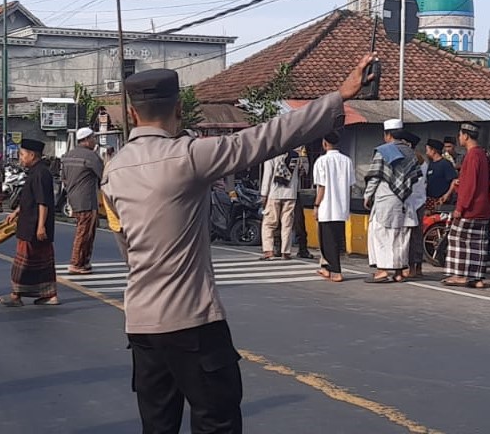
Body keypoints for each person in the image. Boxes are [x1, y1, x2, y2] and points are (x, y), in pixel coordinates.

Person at [101, 55, 372, 434]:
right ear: (179, 108)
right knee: (218, 420)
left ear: (131, 112)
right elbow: (267, 137)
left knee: (158, 426)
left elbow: (125, 242)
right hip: (192, 321)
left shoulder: (113, 170)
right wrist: (339, 96)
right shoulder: (188, 156)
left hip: (141, 323)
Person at [0, 138, 59, 307]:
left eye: (22, 155)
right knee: (42, 263)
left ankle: (16, 295)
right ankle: (49, 295)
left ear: (32, 155)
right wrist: (16, 212)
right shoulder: (36, 172)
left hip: (33, 227)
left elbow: (42, 202)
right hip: (31, 223)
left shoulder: (40, 174)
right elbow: (29, 199)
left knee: (22, 263)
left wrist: (40, 226)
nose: (20, 158)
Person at [363, 119, 422, 284]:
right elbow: (415, 179)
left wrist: (367, 196)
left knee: (381, 234)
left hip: (386, 200)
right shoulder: (411, 153)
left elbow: (375, 177)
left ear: (387, 134)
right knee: (401, 237)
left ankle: (382, 271)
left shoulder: (383, 151)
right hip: (406, 201)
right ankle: (398, 272)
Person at [443, 122, 490, 289]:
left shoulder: (472, 156)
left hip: (470, 208)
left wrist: (460, 207)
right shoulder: (483, 154)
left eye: (460, 135)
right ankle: (477, 277)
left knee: (457, 239)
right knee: (477, 244)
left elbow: (469, 185)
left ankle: (459, 275)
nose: (459, 138)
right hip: (483, 207)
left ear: (465, 135)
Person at [313, 132, 355, 283]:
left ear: (325, 143)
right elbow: (350, 186)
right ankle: (326, 268)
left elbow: (321, 186)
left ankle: (336, 271)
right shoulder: (347, 161)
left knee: (327, 240)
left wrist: (316, 205)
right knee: (336, 238)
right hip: (341, 206)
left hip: (326, 206)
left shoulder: (321, 161)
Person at [62, 127, 104, 275]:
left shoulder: (67, 155)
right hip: (87, 199)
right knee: (85, 232)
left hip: (73, 198)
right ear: (86, 140)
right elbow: (103, 176)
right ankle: (76, 263)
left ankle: (84, 262)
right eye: (93, 138)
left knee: (84, 230)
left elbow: (64, 179)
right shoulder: (91, 156)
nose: (95, 141)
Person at [259, 149, 306, 260]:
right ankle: (286, 252)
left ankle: (268, 251)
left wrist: (263, 195)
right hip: (291, 194)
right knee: (287, 224)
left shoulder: (272, 156)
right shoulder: (296, 156)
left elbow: (267, 176)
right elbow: (301, 173)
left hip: (274, 193)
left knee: (269, 224)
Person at [404, 132, 427, 279]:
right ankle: (418, 267)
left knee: (409, 235)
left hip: (410, 201)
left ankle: (411, 266)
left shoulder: (410, 159)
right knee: (417, 234)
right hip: (420, 200)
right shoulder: (423, 161)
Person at [424, 139, 457, 213]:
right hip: (430, 201)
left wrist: (447, 194)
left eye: (427, 150)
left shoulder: (445, 164)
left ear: (433, 151)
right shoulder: (431, 164)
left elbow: (453, 180)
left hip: (442, 200)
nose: (426, 153)